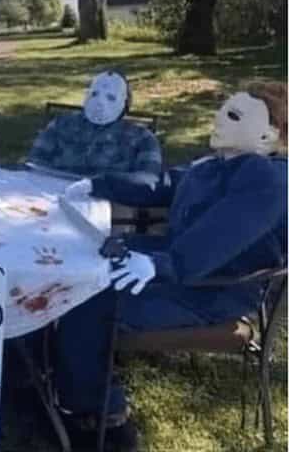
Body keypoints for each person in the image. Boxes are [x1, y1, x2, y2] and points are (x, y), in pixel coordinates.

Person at [53, 82, 287, 451]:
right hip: (180, 265)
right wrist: (100, 183)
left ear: (267, 134)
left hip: (212, 289)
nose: (220, 118)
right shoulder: (212, 165)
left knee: (87, 294)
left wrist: (164, 264)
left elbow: (225, 233)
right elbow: (161, 183)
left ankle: (103, 416)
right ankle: (62, 369)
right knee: (80, 256)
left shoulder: (265, 177)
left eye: (235, 114)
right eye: (223, 107)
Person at [27, 70, 163, 192]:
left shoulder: (142, 138)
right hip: (51, 197)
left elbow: (148, 180)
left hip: (107, 204)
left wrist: (104, 184)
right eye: (95, 94)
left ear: (125, 103)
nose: (100, 103)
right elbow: (34, 165)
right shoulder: (61, 124)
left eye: (110, 97)